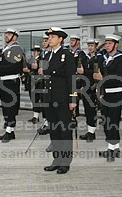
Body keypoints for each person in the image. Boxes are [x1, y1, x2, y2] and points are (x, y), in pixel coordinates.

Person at [41, 27, 77, 174]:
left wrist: (73, 98)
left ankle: (65, 162)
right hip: (50, 98)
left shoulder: (66, 55)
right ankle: (56, 160)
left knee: (64, 130)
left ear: (60, 39)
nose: (49, 39)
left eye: (53, 37)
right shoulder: (47, 55)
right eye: (49, 37)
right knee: (54, 130)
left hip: (63, 98)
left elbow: (72, 78)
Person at [94, 34, 122, 161]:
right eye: (106, 43)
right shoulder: (104, 58)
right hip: (105, 94)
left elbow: (119, 77)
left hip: (115, 93)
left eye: (110, 43)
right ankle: (116, 148)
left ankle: (111, 150)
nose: (107, 46)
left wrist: (103, 79)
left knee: (112, 122)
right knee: (106, 121)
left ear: (116, 45)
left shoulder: (121, 59)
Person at [0, 28, 24, 143]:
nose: (6, 35)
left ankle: (9, 130)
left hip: (11, 81)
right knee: (5, 107)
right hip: (3, 81)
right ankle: (9, 131)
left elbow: (14, 67)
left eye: (9, 34)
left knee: (11, 107)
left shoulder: (17, 49)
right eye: (6, 33)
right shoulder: (4, 49)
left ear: (15, 37)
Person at [79, 39, 101, 142]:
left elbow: (97, 72)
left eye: (92, 46)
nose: (90, 48)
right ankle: (89, 131)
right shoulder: (85, 58)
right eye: (89, 46)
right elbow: (82, 72)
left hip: (94, 86)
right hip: (86, 86)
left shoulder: (99, 58)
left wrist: (85, 71)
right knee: (87, 110)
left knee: (92, 110)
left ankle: (92, 133)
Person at [28, 44, 44, 124]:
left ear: (39, 52)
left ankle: (38, 116)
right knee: (33, 99)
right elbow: (27, 67)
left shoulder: (41, 59)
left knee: (38, 99)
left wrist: (37, 67)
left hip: (38, 82)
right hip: (31, 81)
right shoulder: (31, 59)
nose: (34, 53)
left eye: (35, 51)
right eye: (33, 51)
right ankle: (35, 116)